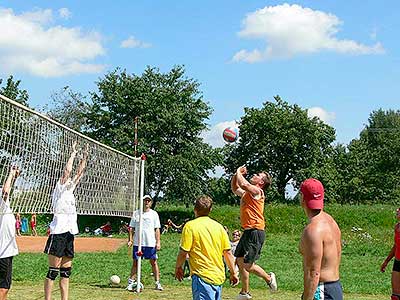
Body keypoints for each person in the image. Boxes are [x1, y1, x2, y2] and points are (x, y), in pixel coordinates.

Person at [44, 142, 88, 300]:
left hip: (69, 233)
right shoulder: (60, 188)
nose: (70, 179)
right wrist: (74, 153)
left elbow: (79, 173)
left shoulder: (70, 190)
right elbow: (68, 171)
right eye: (67, 178)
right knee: (52, 272)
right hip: (58, 233)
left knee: (66, 272)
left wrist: (85, 157)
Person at [175, 195, 239, 300]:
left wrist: (178, 267)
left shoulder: (190, 226)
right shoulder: (219, 227)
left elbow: (183, 252)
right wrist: (233, 272)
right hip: (218, 277)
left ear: (195, 209)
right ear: (211, 210)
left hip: (201, 276)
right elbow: (228, 253)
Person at [231, 165, 277, 299]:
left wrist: (239, 172)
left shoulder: (257, 192)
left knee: (248, 265)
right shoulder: (248, 193)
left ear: (261, 182)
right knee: (239, 260)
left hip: (256, 231)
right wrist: (236, 175)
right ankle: (245, 292)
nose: (254, 174)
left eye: (258, 175)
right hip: (248, 231)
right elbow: (235, 188)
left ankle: (269, 279)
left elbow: (244, 184)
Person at [299, 178, 343, 300]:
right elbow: (339, 252)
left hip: (322, 290)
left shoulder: (312, 230)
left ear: (302, 197)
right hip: (335, 287)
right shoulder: (331, 221)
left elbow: (313, 272)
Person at [127, 195, 163, 291]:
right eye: (145, 200)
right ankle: (130, 283)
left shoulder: (154, 214)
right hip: (137, 243)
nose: (146, 202)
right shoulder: (136, 213)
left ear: (150, 203)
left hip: (150, 243)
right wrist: (130, 240)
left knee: (153, 262)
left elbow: (157, 229)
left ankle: (157, 283)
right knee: (136, 262)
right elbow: (131, 228)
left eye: (148, 201)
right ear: (142, 201)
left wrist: (158, 242)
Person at [0, 166, 20, 300]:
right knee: (3, 288)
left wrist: (13, 178)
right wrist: (11, 174)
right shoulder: (2, 203)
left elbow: (7, 191)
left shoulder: (4, 206)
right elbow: (5, 192)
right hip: (3, 252)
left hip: (5, 250)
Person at [380, 207, 400, 300]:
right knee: (395, 296)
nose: (397, 210)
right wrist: (386, 261)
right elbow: (396, 246)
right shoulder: (397, 227)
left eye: (399, 209)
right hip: (397, 262)